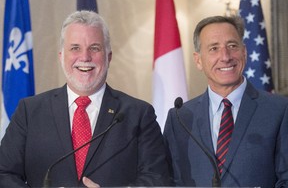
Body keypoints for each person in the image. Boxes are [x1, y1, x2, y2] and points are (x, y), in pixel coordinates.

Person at [0, 10, 170, 187]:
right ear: (61, 56)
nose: (85, 57)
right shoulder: (30, 111)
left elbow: (157, 179)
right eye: (75, 48)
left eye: (94, 48)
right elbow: (4, 173)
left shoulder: (139, 114)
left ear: (108, 56)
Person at [163, 15, 288, 187]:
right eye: (214, 48)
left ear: (244, 51)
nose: (225, 56)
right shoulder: (180, 117)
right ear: (198, 60)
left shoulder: (280, 110)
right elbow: (169, 180)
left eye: (232, 46)